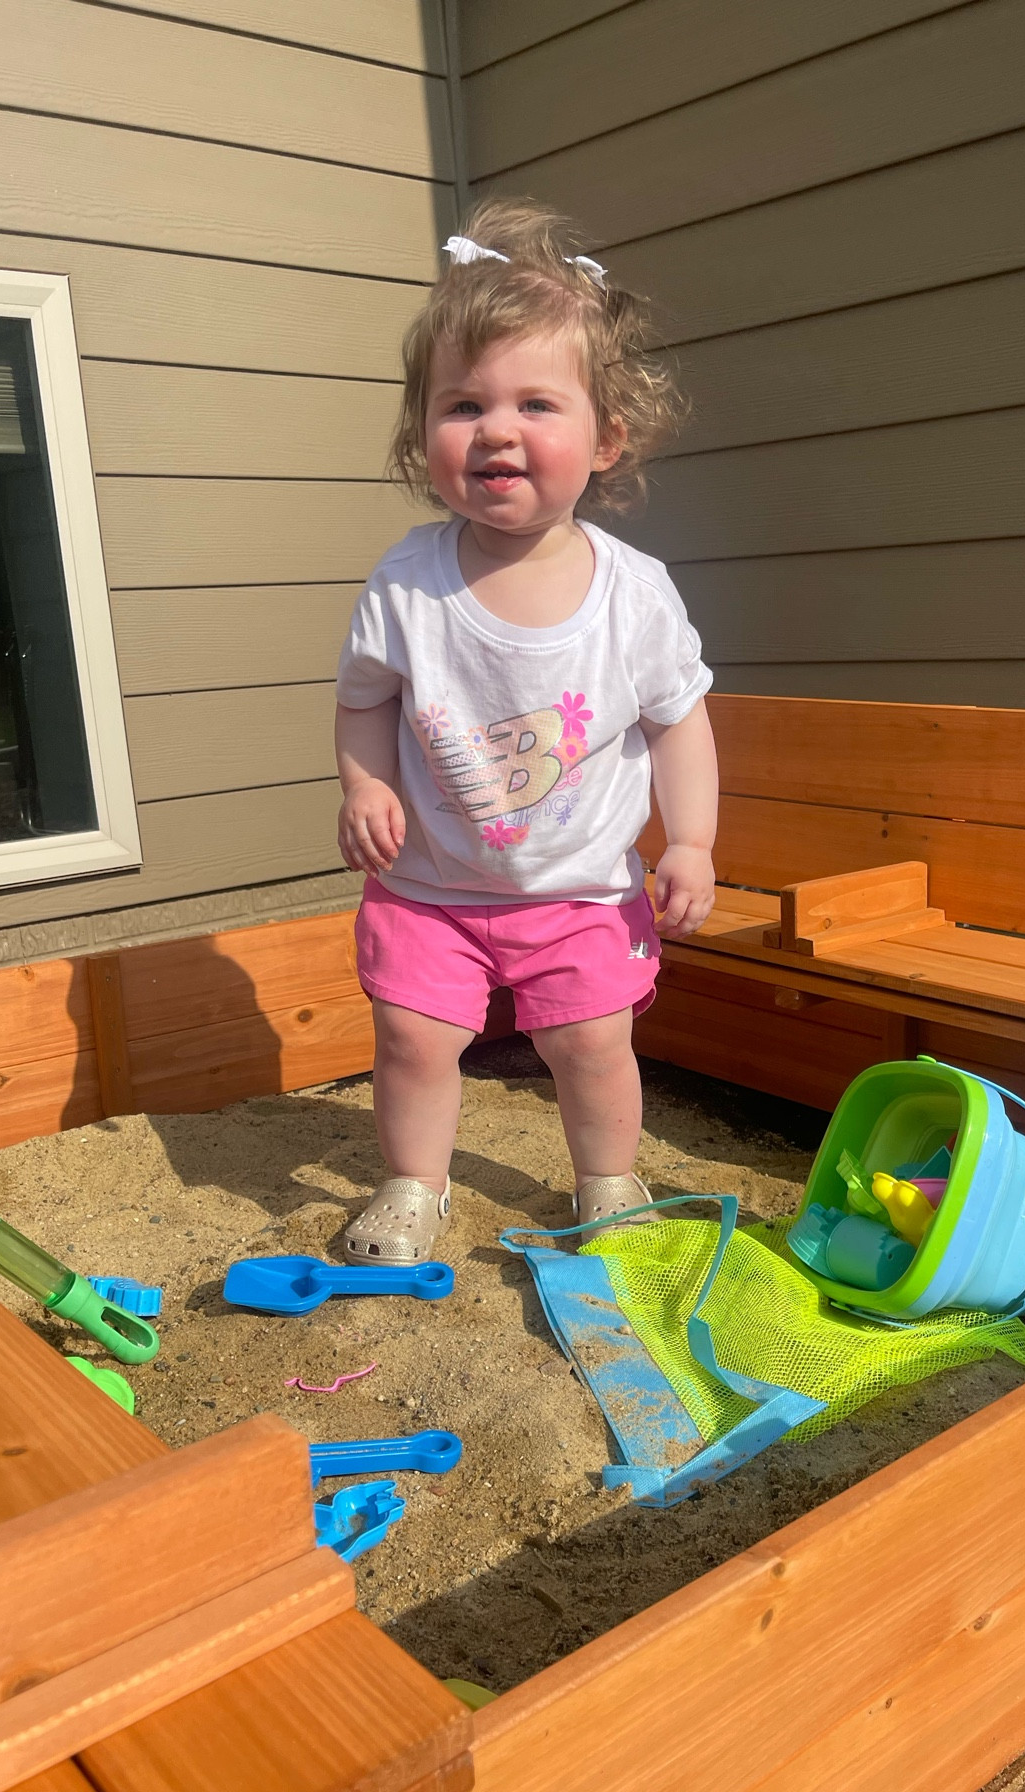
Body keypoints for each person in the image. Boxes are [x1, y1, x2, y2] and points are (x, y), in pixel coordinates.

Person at [333, 198, 718, 1265]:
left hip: (580, 887)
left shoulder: (633, 594)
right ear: (426, 434)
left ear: (607, 437)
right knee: (413, 1037)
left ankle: (607, 1180)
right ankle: (414, 1182)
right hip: (432, 882)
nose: (496, 428)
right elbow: (364, 695)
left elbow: (678, 721)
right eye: (463, 404)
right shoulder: (408, 581)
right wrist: (366, 785)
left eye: (537, 402)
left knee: (591, 1043)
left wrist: (689, 840)